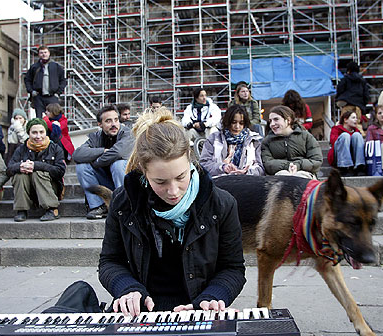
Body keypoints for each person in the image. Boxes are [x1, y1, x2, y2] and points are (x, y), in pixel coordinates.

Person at [98, 108, 246, 316]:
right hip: (140, 314)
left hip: (199, 311)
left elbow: (233, 268)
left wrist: (212, 297)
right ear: (143, 170)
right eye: (160, 182)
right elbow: (109, 262)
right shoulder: (123, 202)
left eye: (181, 176)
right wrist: (127, 288)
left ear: (190, 159)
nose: (173, 191)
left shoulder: (221, 203)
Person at [74, 105, 134, 219]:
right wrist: (103, 150)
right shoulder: (95, 137)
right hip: (107, 182)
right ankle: (98, 207)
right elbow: (77, 155)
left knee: (118, 163)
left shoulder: (127, 133)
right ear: (100, 124)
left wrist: (96, 162)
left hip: (127, 183)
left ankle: (125, 205)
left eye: (116, 120)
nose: (114, 124)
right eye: (108, 121)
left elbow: (118, 153)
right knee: (82, 166)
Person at [7, 118, 66, 222]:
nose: (38, 136)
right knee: (19, 174)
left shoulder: (55, 148)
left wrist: (37, 165)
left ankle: (52, 209)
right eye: (34, 132)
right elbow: (9, 169)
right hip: (28, 189)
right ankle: (21, 210)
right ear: (28, 133)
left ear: (46, 132)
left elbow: (60, 171)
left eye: (41, 132)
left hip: (50, 188)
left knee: (37, 173)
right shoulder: (21, 149)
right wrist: (20, 166)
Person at [200, 105, 265, 176]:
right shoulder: (213, 138)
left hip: (246, 181)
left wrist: (246, 172)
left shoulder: (254, 141)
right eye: (234, 122)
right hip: (219, 182)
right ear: (227, 121)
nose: (237, 127)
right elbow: (204, 164)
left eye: (241, 123)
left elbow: (260, 169)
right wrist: (222, 167)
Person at [261, 105, 322, 178]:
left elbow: (316, 160)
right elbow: (267, 163)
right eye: (270, 121)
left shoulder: (306, 137)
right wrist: (287, 166)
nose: (272, 124)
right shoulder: (267, 141)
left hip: (305, 173)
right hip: (279, 175)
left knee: (299, 177)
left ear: (288, 120)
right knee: (284, 176)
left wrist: (298, 165)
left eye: (276, 119)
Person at [24, 45, 66, 118]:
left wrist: (58, 93)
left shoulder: (56, 67)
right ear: (39, 54)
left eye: (45, 52)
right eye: (41, 53)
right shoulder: (34, 67)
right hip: (38, 97)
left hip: (52, 96)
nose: (44, 54)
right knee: (40, 118)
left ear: (49, 53)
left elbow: (63, 80)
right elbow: (27, 80)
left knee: (54, 117)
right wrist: (31, 91)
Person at [327, 110, 366, 176]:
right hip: (339, 157)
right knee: (345, 135)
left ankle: (360, 166)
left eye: (356, 118)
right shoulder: (336, 129)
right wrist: (347, 138)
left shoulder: (357, 131)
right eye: (353, 118)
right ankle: (345, 167)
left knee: (357, 135)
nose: (356, 120)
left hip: (353, 156)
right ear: (345, 120)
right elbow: (333, 142)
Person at [335, 61, 370, 129]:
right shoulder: (362, 81)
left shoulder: (345, 80)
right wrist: (363, 105)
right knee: (357, 125)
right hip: (358, 107)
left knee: (344, 126)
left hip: (347, 106)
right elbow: (366, 96)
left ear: (348, 70)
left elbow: (339, 90)